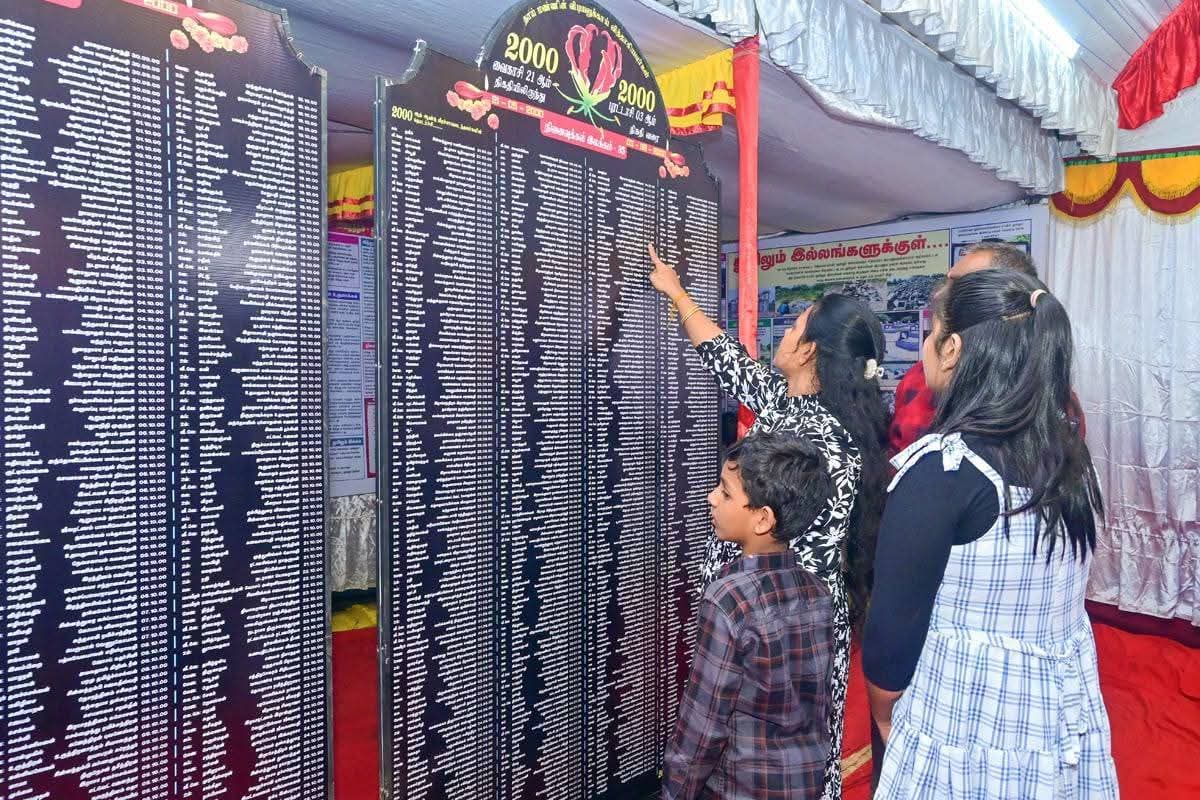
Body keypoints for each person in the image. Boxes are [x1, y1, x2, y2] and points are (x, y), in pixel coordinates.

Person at [863, 270, 1118, 799]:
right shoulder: (1074, 460)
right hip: (1055, 711)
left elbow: (892, 631)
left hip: (963, 715)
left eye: (932, 333)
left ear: (953, 349)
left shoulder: (941, 472)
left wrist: (886, 714)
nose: (925, 347)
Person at [649, 244, 889, 800]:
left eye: (796, 323)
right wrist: (677, 293)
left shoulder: (822, 442)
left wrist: (737, 605)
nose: (785, 331)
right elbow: (725, 358)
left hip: (779, 628)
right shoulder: (791, 405)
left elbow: (800, 553)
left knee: (763, 753)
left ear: (808, 350)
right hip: (771, 618)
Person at [662, 432, 836, 800]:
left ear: (762, 519)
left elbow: (703, 725)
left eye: (725, 493)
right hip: (801, 783)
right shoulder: (818, 592)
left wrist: (674, 791)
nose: (711, 498)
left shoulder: (728, 601)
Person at [889, 241, 1085, 456]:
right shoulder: (917, 378)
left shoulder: (1051, 399)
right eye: (947, 281)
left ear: (1002, 297)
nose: (939, 295)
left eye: (960, 284)